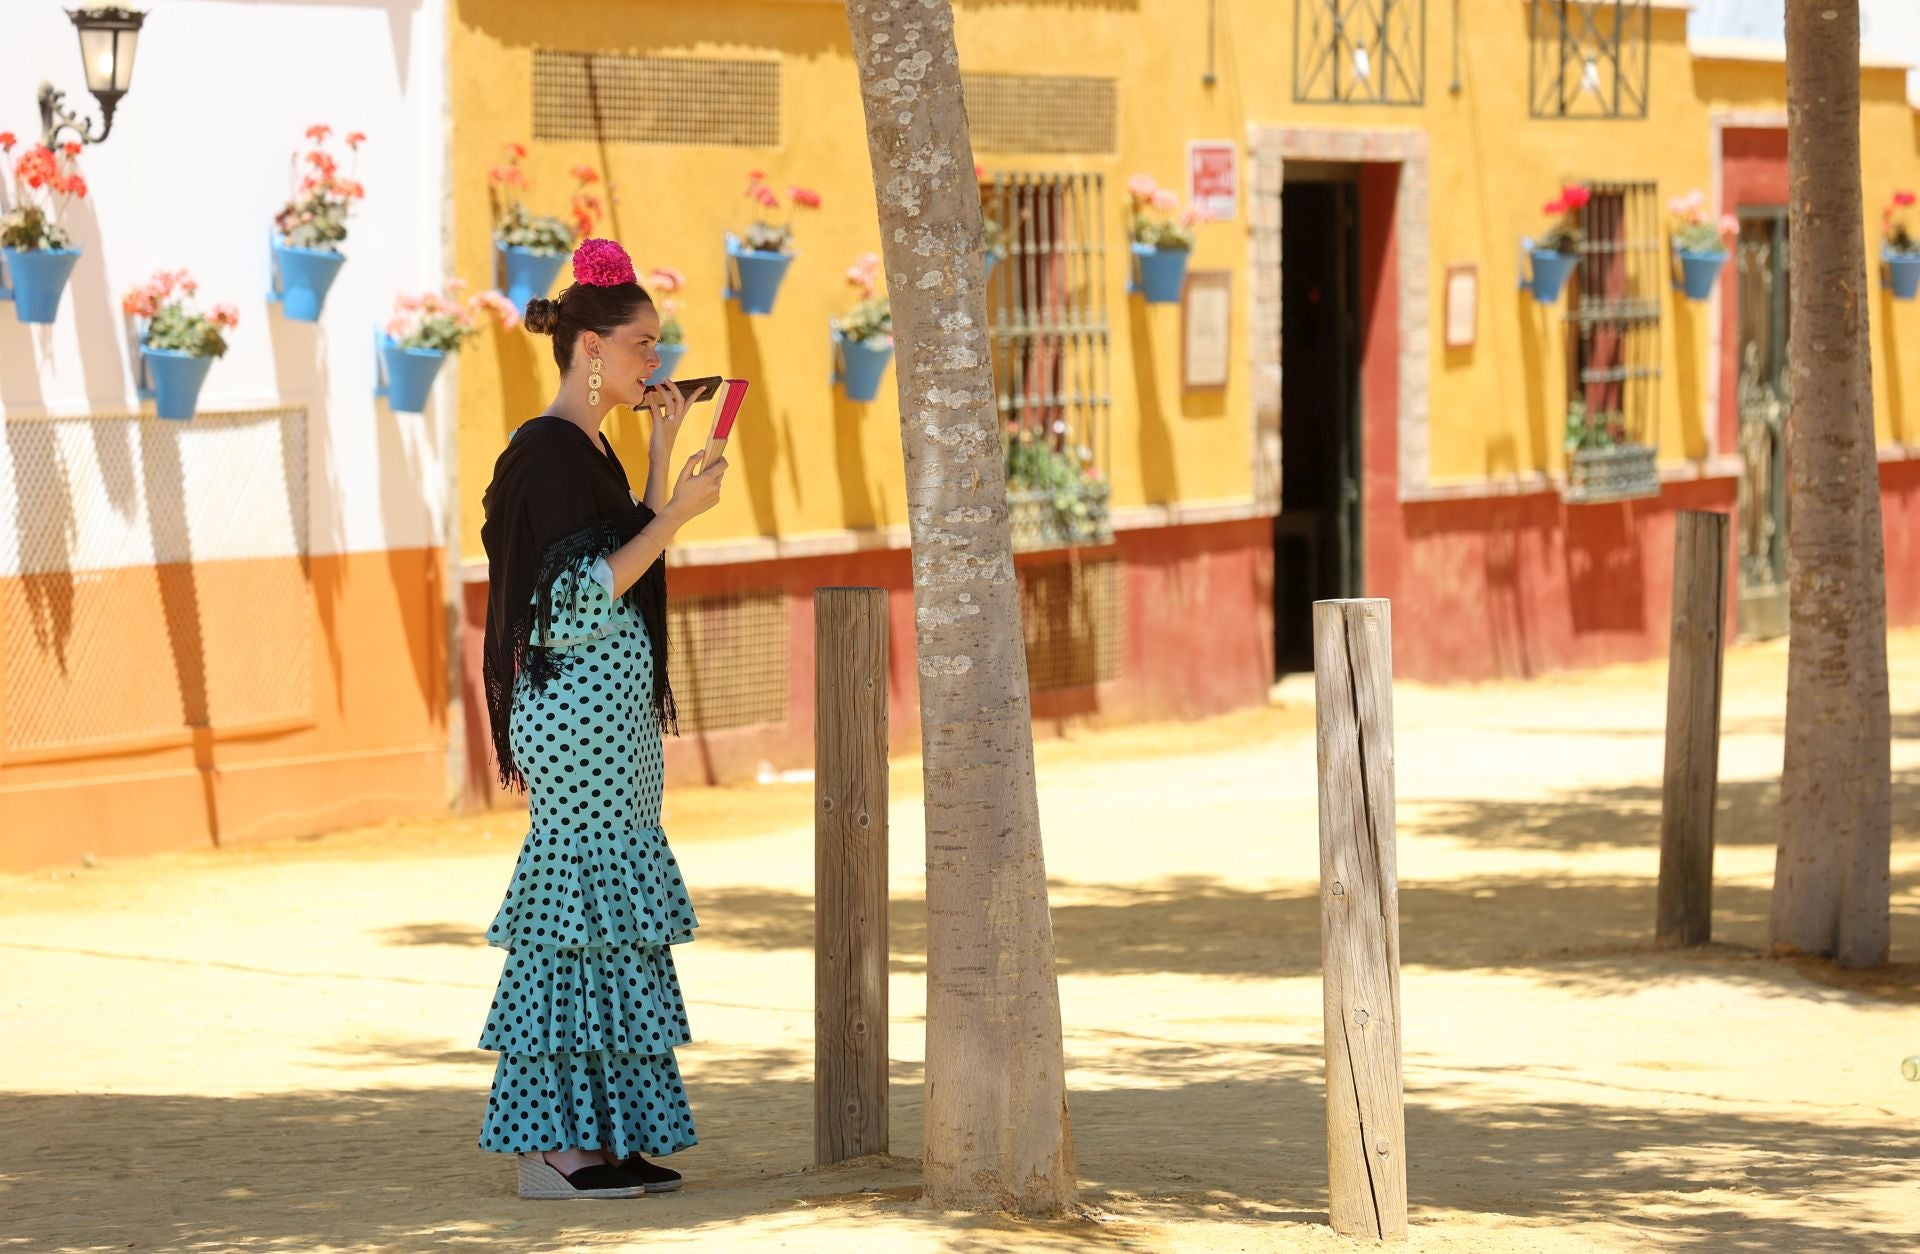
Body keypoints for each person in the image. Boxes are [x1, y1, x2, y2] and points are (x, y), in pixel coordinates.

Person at [475, 237, 726, 1200]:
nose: (654, 363)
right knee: (571, 917)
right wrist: (680, 516)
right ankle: (550, 1150)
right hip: (572, 717)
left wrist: (663, 456)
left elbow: (628, 559)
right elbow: (567, 605)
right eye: (642, 346)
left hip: (609, 720)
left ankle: (606, 1136)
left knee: (611, 921)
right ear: (590, 350)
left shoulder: (593, 447)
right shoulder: (544, 452)